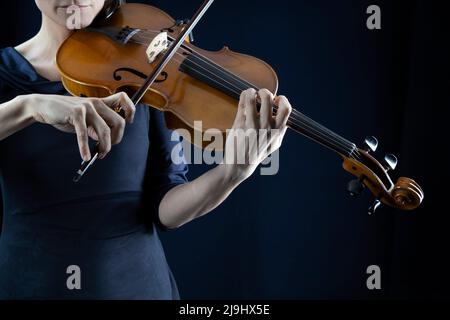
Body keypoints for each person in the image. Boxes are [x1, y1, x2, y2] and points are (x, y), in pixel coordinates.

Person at [0, 0, 292, 299]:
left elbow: (165, 206)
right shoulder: (4, 73)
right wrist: (28, 106)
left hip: (139, 286)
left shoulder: (145, 64)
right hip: (34, 285)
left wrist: (231, 173)